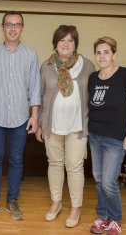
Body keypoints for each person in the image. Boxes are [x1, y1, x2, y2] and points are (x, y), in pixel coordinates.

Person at [0, 10, 40, 221]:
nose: (13, 28)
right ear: (2, 27)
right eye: (9, 24)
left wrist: (34, 115)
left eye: (17, 24)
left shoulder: (30, 54)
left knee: (16, 160)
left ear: (22, 28)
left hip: (21, 117)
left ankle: (13, 201)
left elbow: (35, 86)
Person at [35, 25, 95, 228]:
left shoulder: (87, 65)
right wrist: (41, 124)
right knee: (54, 164)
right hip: (52, 125)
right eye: (62, 40)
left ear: (75, 43)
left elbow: (95, 95)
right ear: (55, 44)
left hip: (78, 126)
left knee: (75, 167)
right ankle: (56, 203)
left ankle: (76, 207)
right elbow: (41, 97)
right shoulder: (46, 66)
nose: (66, 44)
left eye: (70, 40)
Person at [88, 36, 126, 235]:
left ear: (114, 54)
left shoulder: (125, 74)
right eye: (98, 52)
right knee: (99, 179)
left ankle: (116, 219)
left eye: (106, 52)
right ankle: (102, 217)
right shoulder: (93, 78)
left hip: (116, 138)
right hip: (95, 136)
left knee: (109, 182)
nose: (102, 56)